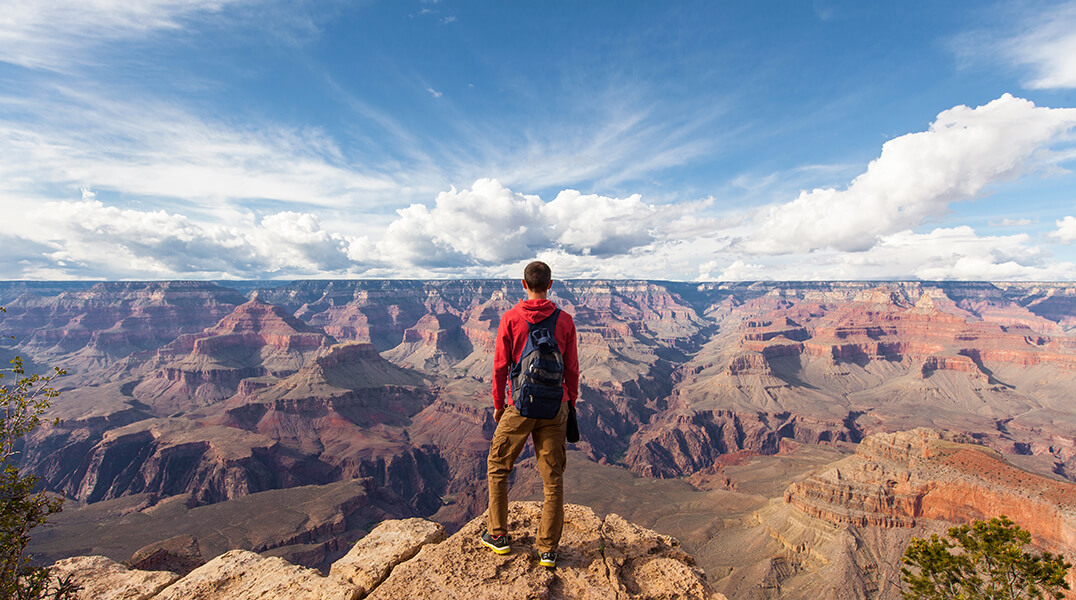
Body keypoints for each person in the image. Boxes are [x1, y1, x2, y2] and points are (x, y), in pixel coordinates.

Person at [481, 260, 579, 569]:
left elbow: (500, 367)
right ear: (551, 285)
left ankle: (498, 535)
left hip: (520, 407)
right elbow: (573, 369)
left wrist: (499, 405)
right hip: (555, 407)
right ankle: (547, 550)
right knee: (553, 480)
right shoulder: (565, 321)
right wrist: (569, 402)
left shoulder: (510, 318)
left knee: (498, 466)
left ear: (523, 285)